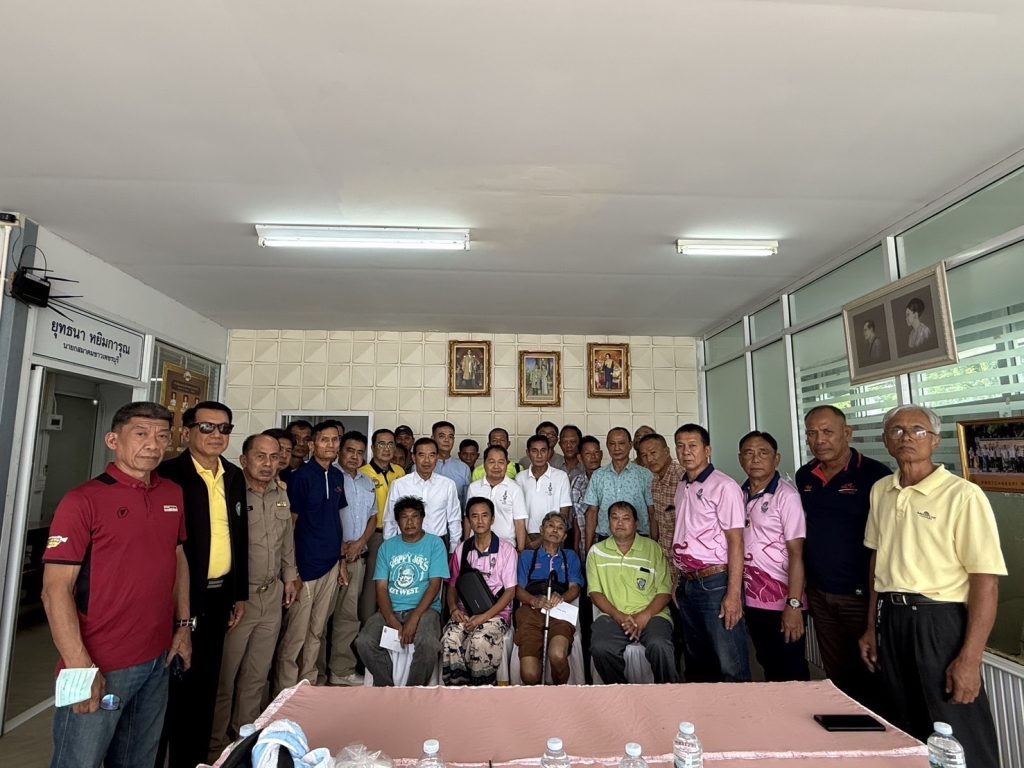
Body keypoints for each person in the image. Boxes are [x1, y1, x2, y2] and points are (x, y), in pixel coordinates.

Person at [42, 402, 191, 768]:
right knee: (79, 761)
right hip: (99, 662)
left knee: (139, 760)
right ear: (113, 440)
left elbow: (177, 560)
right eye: (140, 434)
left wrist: (183, 627)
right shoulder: (82, 501)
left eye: (162, 436)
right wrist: (79, 666)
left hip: (157, 659)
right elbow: (55, 590)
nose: (153, 444)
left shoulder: (172, 494)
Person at [860, 406, 1006, 767]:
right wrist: (871, 627)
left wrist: (971, 657)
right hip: (892, 617)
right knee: (903, 721)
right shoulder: (881, 490)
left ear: (936, 441)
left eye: (918, 430)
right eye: (897, 431)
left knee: (956, 726)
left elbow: (985, 581)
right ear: (886, 441)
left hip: (939, 621)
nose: (907, 437)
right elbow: (878, 561)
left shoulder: (963, 495)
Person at [155, 400, 248, 768]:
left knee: (206, 684)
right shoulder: (168, 475)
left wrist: (239, 592)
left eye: (224, 428)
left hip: (220, 594)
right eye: (207, 427)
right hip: (179, 597)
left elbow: (238, 536)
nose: (216, 435)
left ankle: (192, 761)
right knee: (171, 687)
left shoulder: (233, 475)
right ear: (188, 431)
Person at [209, 434, 298, 759]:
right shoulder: (229, 491)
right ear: (244, 459)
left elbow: (286, 540)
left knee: (256, 676)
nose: (268, 463)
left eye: (274, 457)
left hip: (271, 595)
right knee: (225, 678)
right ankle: (216, 747)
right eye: (260, 456)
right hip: (239, 599)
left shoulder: (280, 493)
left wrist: (290, 576)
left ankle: (243, 741)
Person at [796, 405, 891, 708]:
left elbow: (886, 542)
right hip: (820, 593)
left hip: (861, 594)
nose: (819, 440)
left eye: (827, 432)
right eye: (812, 433)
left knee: (873, 670)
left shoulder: (876, 476)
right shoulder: (805, 476)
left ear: (847, 433)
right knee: (837, 673)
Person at [273, 421, 349, 691]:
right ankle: (285, 690)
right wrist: (291, 570)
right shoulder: (301, 477)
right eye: (324, 440)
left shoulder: (337, 476)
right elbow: (290, 526)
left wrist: (341, 561)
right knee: (296, 633)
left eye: (335, 440)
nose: (330, 445)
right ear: (312, 444)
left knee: (317, 629)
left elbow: (336, 519)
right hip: (305, 566)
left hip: (330, 563)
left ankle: (309, 683)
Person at [672, 423, 751, 683]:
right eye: (680, 446)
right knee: (697, 662)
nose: (686, 452)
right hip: (688, 583)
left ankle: (739, 709)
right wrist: (678, 579)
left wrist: (733, 594)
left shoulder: (724, 486)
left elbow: (736, 541)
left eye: (692, 446)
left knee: (730, 663)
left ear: (707, 450)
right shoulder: (683, 486)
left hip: (716, 583)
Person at [737, 431, 809, 682]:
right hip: (753, 600)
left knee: (790, 669)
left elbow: (797, 553)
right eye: (748, 453)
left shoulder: (786, 496)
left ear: (776, 458)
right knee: (767, 662)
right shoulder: (739, 494)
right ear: (740, 459)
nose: (755, 459)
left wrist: (794, 604)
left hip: (783, 601)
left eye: (763, 453)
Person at [355, 497, 449, 686]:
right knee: (364, 642)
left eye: (415, 516)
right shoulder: (387, 547)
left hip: (425, 610)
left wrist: (415, 618)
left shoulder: (435, 544)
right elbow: (381, 588)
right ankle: (388, 688)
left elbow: (434, 586)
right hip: (391, 609)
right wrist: (391, 619)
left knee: (428, 644)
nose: (410, 522)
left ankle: (413, 690)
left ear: (422, 518)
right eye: (404, 517)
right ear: (397, 521)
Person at [588, 502, 678, 684]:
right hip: (612, 616)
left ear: (636, 523)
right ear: (608, 522)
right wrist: (619, 616)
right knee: (601, 647)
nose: (620, 523)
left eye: (626, 518)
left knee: (660, 645)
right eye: (615, 518)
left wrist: (644, 616)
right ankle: (621, 693)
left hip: (652, 615)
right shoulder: (596, 552)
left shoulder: (653, 549)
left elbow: (665, 591)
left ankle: (668, 694)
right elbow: (595, 593)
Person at [441, 498, 518, 685]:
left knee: (479, 640)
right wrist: (453, 608)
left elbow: (510, 592)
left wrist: (483, 618)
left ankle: (481, 688)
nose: (480, 521)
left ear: (492, 519)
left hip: (496, 614)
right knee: (450, 637)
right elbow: (452, 585)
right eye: (474, 516)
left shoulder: (506, 550)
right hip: (464, 612)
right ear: (468, 520)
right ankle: (457, 687)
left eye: (485, 516)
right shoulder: (462, 549)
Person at [327, 431, 378, 686]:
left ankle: (340, 670)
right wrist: (341, 549)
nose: (355, 457)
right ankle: (311, 672)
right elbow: (325, 517)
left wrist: (359, 544)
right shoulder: (330, 477)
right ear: (340, 451)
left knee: (347, 617)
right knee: (318, 619)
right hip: (329, 559)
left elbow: (373, 517)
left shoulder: (368, 482)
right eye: (350, 450)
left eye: (360, 452)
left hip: (356, 558)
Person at [515, 512, 583, 685]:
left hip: (560, 610)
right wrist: (534, 601)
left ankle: (558, 693)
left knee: (558, 655)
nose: (555, 530)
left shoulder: (570, 556)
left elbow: (575, 588)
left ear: (565, 536)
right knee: (529, 674)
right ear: (541, 530)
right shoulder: (527, 556)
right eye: (551, 525)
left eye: (560, 528)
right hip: (531, 610)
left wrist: (562, 598)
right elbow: (518, 590)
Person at [383, 437, 462, 553]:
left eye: (431, 455)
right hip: (406, 543)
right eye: (422, 455)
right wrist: (388, 548)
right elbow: (390, 519)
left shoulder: (448, 485)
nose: (427, 460)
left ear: (437, 458)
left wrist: (454, 549)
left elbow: (454, 519)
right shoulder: (399, 485)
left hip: (437, 544)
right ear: (414, 458)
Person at [358, 429, 406, 621]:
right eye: (381, 444)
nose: (386, 449)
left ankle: (390, 624)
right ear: (372, 447)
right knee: (373, 581)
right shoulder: (363, 473)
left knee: (396, 582)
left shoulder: (400, 472)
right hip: (375, 535)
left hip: (399, 536)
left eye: (390, 444)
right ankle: (368, 624)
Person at [584, 427, 655, 552]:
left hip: (638, 540)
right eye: (612, 444)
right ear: (607, 446)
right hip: (605, 539)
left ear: (630, 445)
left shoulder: (645, 475)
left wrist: (654, 544)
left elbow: (652, 512)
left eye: (621, 443)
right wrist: (588, 547)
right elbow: (592, 513)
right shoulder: (598, 475)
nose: (616, 448)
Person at [466, 444, 528, 549]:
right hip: (476, 546)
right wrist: (466, 546)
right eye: (491, 462)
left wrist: (521, 550)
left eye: (501, 462)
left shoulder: (515, 489)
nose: (496, 466)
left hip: (506, 547)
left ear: (506, 464)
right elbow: (468, 518)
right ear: (484, 464)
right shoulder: (474, 487)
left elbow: (519, 523)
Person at [517, 434, 573, 544]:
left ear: (549, 452)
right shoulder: (520, 477)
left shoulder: (561, 476)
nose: (539, 455)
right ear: (528, 453)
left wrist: (541, 540)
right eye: (534, 451)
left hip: (553, 534)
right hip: (526, 535)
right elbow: (517, 511)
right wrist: (525, 539)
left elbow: (564, 513)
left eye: (543, 450)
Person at [570, 436, 603, 556]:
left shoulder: (609, 479)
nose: (593, 457)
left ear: (601, 454)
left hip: (604, 542)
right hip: (583, 545)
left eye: (596, 452)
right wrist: (576, 548)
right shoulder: (577, 481)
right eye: (588, 453)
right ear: (580, 458)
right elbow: (576, 517)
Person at [433, 420, 471, 510]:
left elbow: (466, 500)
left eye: (450, 437)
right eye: (442, 436)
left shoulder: (463, 468)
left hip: (456, 517)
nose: (447, 440)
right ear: (433, 438)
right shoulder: (421, 466)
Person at [279, 419, 313, 486]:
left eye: (306, 439)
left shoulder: (311, 472)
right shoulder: (277, 470)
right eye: (296, 438)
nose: (301, 443)